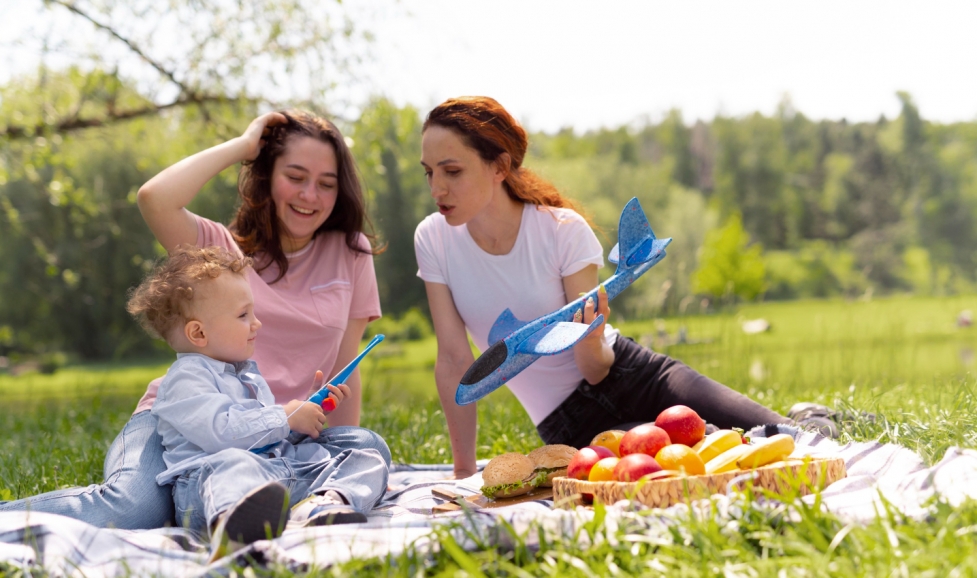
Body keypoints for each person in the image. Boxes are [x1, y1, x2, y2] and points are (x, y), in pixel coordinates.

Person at [0, 110, 389, 529]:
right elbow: (155, 197)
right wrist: (244, 146)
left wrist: (330, 445)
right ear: (267, 177)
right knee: (133, 509)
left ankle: (264, 503)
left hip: (276, 437)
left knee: (366, 447)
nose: (310, 195)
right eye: (295, 177)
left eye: (326, 184)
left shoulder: (351, 250)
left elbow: (347, 365)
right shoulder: (218, 255)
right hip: (181, 425)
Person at [413, 96, 790, 479]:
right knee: (705, 458)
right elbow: (454, 361)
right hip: (572, 425)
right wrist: (463, 473)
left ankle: (813, 416)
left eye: (452, 171)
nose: (436, 188)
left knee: (781, 435)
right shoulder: (433, 240)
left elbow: (595, 371)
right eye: (429, 173)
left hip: (633, 373)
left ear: (500, 166)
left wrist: (590, 339)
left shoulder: (561, 230)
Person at [128, 246, 386, 551]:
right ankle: (231, 525)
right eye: (243, 315)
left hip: (274, 474)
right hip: (207, 488)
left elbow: (264, 437)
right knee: (233, 462)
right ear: (198, 333)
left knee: (366, 448)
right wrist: (285, 416)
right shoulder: (185, 378)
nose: (257, 323)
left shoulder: (245, 372)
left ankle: (324, 503)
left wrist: (306, 413)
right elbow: (222, 433)